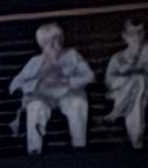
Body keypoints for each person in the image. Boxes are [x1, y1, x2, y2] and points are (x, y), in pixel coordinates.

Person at [10, 20, 91, 152]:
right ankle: (35, 151)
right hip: (44, 97)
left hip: (67, 94)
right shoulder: (35, 62)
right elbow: (14, 84)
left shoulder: (72, 56)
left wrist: (67, 81)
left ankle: (79, 147)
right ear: (42, 44)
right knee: (35, 107)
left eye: (58, 40)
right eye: (50, 42)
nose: (55, 45)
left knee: (78, 103)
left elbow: (88, 76)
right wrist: (38, 82)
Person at [104, 18, 148, 149]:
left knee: (139, 79)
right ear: (124, 36)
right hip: (130, 93)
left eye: (139, 32)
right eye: (132, 33)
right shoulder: (117, 58)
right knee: (136, 84)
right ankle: (137, 141)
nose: (136, 37)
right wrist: (126, 78)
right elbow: (110, 82)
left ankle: (119, 113)